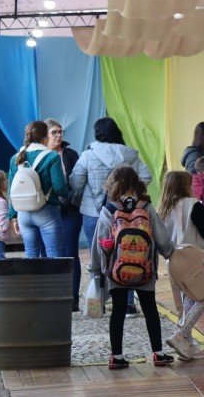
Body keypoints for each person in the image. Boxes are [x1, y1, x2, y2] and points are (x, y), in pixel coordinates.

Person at [89, 166, 175, 370]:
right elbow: (162, 238)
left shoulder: (109, 210)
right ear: (136, 183)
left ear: (112, 184)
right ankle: (158, 353)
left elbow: (99, 241)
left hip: (115, 270)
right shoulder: (146, 207)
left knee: (117, 312)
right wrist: (169, 252)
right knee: (150, 309)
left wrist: (98, 270)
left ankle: (116, 356)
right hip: (145, 270)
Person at [70, 117, 151, 317]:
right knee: (128, 252)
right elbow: (147, 176)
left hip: (93, 213)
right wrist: (130, 191)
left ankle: (99, 302)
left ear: (98, 133)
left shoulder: (88, 155)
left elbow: (75, 181)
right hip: (125, 212)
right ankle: (128, 304)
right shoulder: (130, 155)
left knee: (98, 257)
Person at [157, 170, 204, 360]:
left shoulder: (163, 208)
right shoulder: (194, 205)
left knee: (186, 301)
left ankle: (187, 347)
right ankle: (181, 334)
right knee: (203, 297)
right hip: (194, 258)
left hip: (173, 260)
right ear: (185, 185)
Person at [7, 121, 69, 258]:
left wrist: (13, 216)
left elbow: (12, 190)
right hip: (47, 211)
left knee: (31, 255)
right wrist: (69, 195)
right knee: (54, 255)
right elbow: (60, 188)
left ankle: (33, 280)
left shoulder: (15, 158)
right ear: (45, 136)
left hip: (23, 213)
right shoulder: (51, 157)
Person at [45, 119, 85, 310]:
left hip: (70, 210)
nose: (59, 135)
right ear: (45, 135)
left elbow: (79, 183)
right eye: (54, 132)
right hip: (47, 211)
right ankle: (53, 297)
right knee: (50, 254)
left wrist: (69, 199)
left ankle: (72, 299)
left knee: (70, 253)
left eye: (60, 132)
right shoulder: (39, 155)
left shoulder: (70, 154)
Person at [0, 170, 9, 259]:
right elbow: (3, 226)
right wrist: (11, 216)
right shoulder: (0, 202)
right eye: (5, 180)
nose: (7, 181)